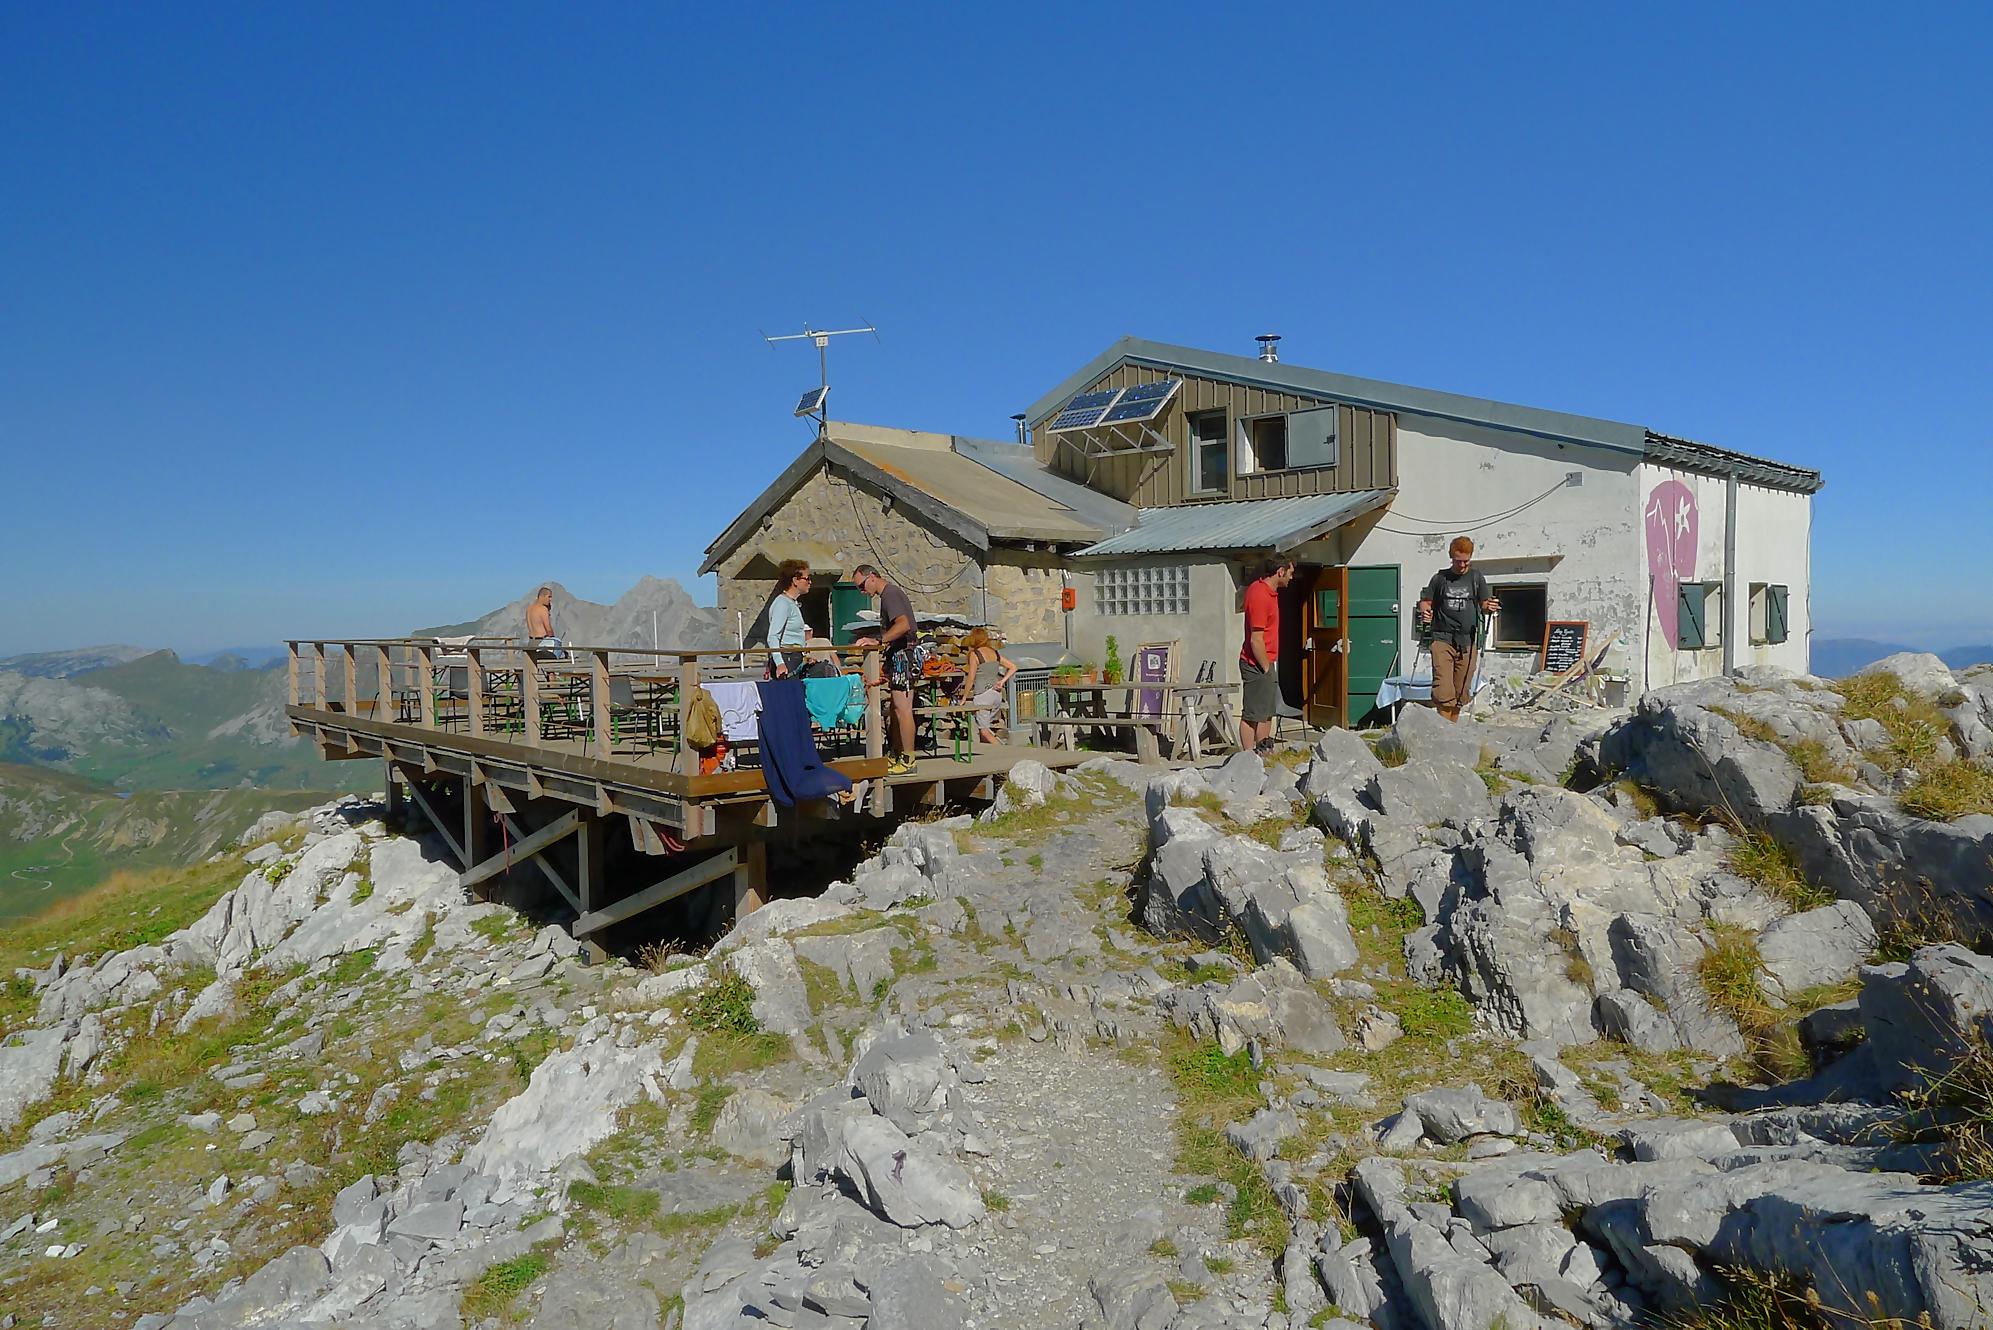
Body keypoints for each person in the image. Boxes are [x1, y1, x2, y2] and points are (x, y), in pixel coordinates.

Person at [849, 564, 923, 774]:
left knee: (903, 709)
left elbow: (903, 625)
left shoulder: (890, 594)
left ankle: (908, 759)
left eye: (862, 586)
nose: (862, 592)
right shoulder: (888, 595)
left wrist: (879, 640)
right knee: (895, 708)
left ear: (872, 577)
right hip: (898, 656)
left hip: (904, 657)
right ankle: (897, 753)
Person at [1417, 536, 1500, 722]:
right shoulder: (1440, 578)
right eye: (1458, 560)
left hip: (1468, 641)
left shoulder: (1477, 578)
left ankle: (1452, 730)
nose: (1462, 565)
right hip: (1442, 638)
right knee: (1443, 690)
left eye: (1466, 561)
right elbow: (1425, 602)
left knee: (1461, 691)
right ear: (1451, 557)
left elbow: (1484, 604)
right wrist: (1425, 612)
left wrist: (1490, 606)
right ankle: (1444, 730)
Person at [1239, 555, 1294, 753]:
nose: (1291, 577)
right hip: (1256, 663)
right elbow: (1256, 638)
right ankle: (1247, 757)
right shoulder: (1260, 594)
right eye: (1290, 573)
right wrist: (1265, 667)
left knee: (1266, 713)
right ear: (1280, 571)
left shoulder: (1270, 592)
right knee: (1253, 714)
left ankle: (1263, 753)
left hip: (1268, 660)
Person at [958, 627, 1018, 747]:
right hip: (996, 694)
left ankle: (1004, 751)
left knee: (984, 731)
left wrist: (964, 696)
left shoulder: (975, 654)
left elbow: (971, 677)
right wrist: (1002, 681)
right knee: (984, 728)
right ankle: (987, 756)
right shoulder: (994, 652)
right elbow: (1013, 667)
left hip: (982, 695)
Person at [763, 559, 811, 679]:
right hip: (787, 658)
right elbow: (773, 636)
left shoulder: (791, 604)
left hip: (794, 657)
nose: (810, 582)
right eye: (807, 578)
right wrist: (780, 663)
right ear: (795, 580)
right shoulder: (782, 604)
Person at [525, 586, 567, 659]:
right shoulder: (543, 609)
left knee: (533, 666)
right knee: (551, 664)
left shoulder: (529, 608)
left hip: (531, 642)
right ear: (542, 596)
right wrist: (553, 640)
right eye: (549, 597)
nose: (550, 599)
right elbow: (548, 629)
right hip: (542, 642)